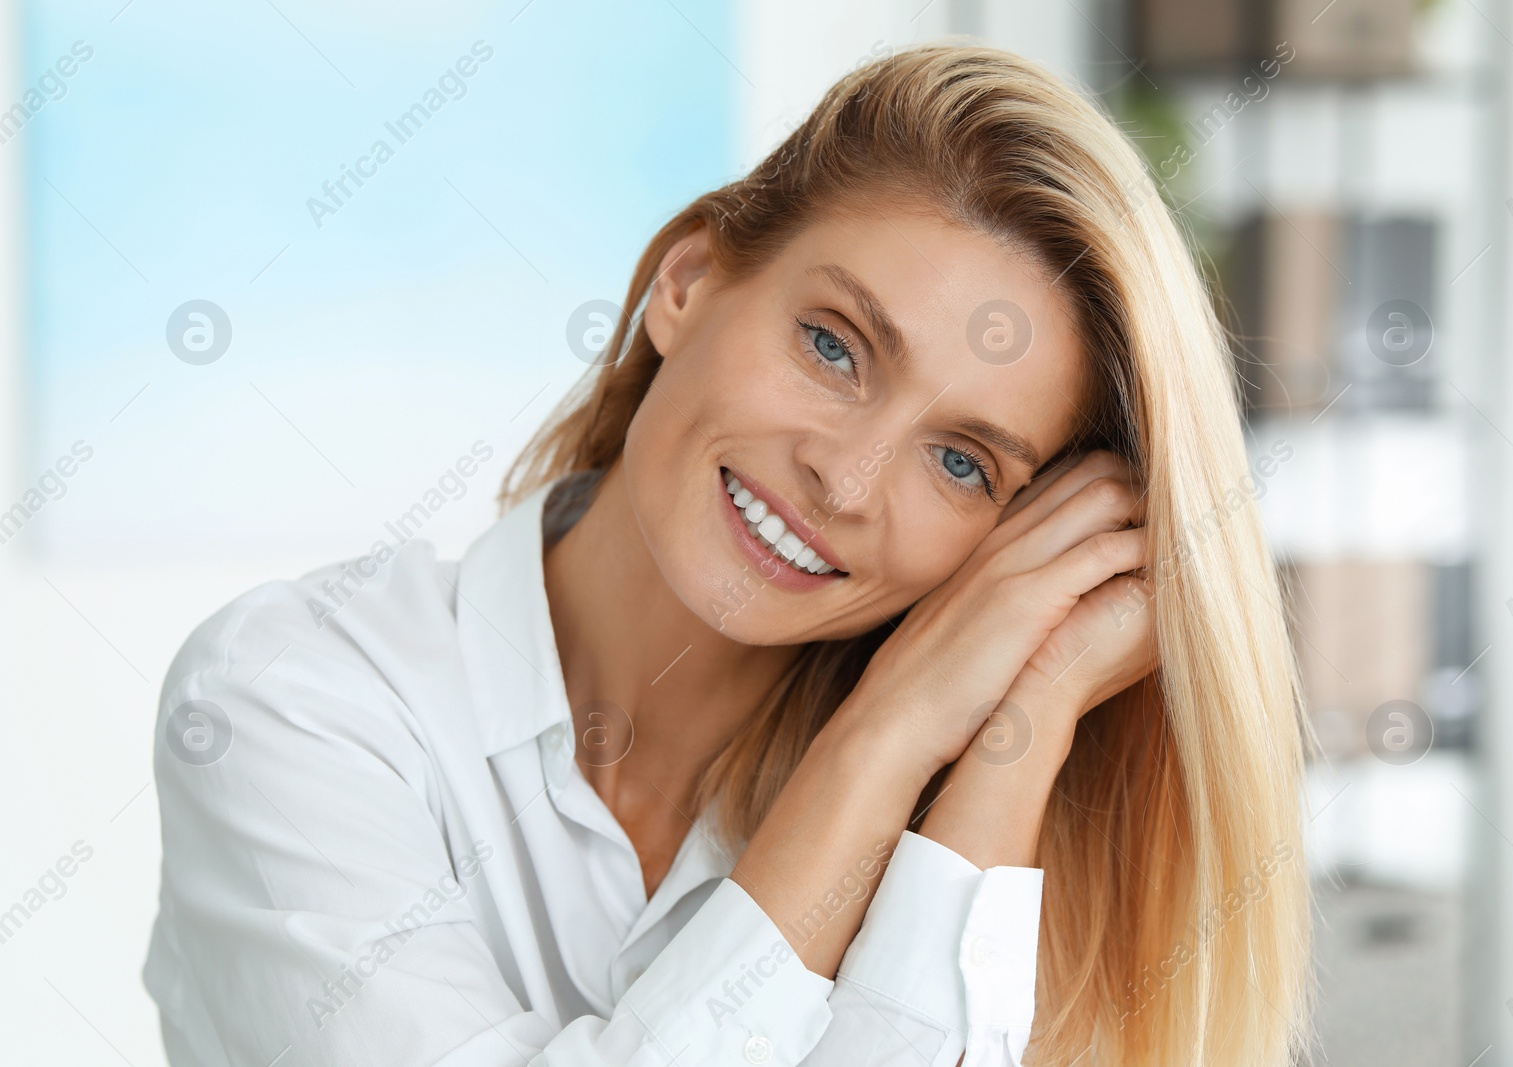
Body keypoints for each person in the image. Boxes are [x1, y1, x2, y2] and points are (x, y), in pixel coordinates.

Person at [144, 42, 1310, 1066]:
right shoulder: (296, 697)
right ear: (687, 283)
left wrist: (1023, 720)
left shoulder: (980, 844)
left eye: (962, 462)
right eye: (831, 344)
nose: (845, 482)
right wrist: (882, 739)